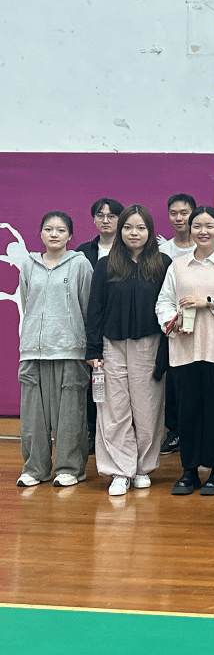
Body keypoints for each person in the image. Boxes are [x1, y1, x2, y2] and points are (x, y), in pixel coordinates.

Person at [156, 206, 214, 496]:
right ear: (190, 229)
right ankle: (189, 470)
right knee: (188, 411)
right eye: (197, 226)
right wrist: (171, 322)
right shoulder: (177, 266)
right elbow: (163, 302)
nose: (203, 232)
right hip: (184, 349)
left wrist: (207, 302)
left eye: (209, 226)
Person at [85, 205, 171, 495]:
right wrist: (93, 349)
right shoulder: (105, 265)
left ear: (150, 231)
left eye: (141, 228)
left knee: (148, 410)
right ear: (120, 230)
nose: (134, 233)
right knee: (114, 411)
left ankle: (143, 468)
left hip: (150, 344)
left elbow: (169, 307)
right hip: (111, 346)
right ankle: (120, 471)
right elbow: (95, 309)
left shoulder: (163, 264)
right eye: (128, 227)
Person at [17, 211, 93, 488]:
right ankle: (35, 469)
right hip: (33, 351)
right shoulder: (29, 265)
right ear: (40, 233)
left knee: (70, 415)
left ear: (70, 235)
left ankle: (70, 469)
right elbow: (27, 303)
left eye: (61, 230)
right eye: (49, 229)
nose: (54, 234)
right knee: (33, 417)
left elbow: (87, 307)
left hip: (69, 350)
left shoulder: (80, 264)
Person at [76, 197, 123, 452]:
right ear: (93, 219)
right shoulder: (83, 252)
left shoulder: (129, 249)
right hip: (90, 327)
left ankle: (118, 439)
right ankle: (93, 435)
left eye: (111, 216)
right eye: (100, 215)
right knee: (93, 385)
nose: (105, 220)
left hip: (119, 328)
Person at [158, 193, 196, 456]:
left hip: (205, 324)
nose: (179, 218)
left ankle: (196, 432)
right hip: (172, 326)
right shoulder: (163, 251)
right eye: (174, 213)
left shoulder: (203, 247)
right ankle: (174, 432)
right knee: (172, 382)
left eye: (184, 212)